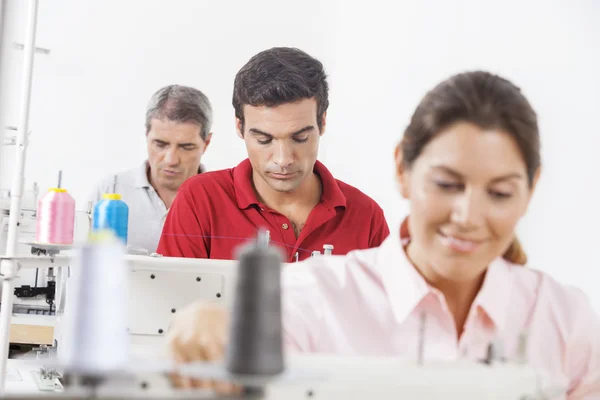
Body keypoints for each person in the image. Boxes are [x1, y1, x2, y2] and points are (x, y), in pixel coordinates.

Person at [166, 71, 600, 397]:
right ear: (402, 170)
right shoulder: (317, 299)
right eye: (447, 185)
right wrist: (206, 321)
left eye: (501, 192)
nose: (468, 216)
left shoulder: (565, 320)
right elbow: (248, 336)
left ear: (531, 189)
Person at [156, 47, 389, 261]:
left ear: (323, 123)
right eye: (264, 140)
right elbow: (170, 304)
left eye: (300, 138)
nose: (283, 159)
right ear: (240, 127)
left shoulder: (367, 218)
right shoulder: (200, 200)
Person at [90, 85, 213, 253]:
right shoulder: (110, 190)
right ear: (146, 135)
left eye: (186, 147)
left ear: (206, 143)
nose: (171, 160)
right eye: (160, 144)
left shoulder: (219, 200)